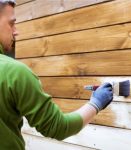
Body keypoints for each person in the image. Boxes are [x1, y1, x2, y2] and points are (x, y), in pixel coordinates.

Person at [0, 0, 113, 149]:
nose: (16, 31)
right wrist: (96, 103)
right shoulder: (15, 73)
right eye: (11, 23)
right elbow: (57, 127)